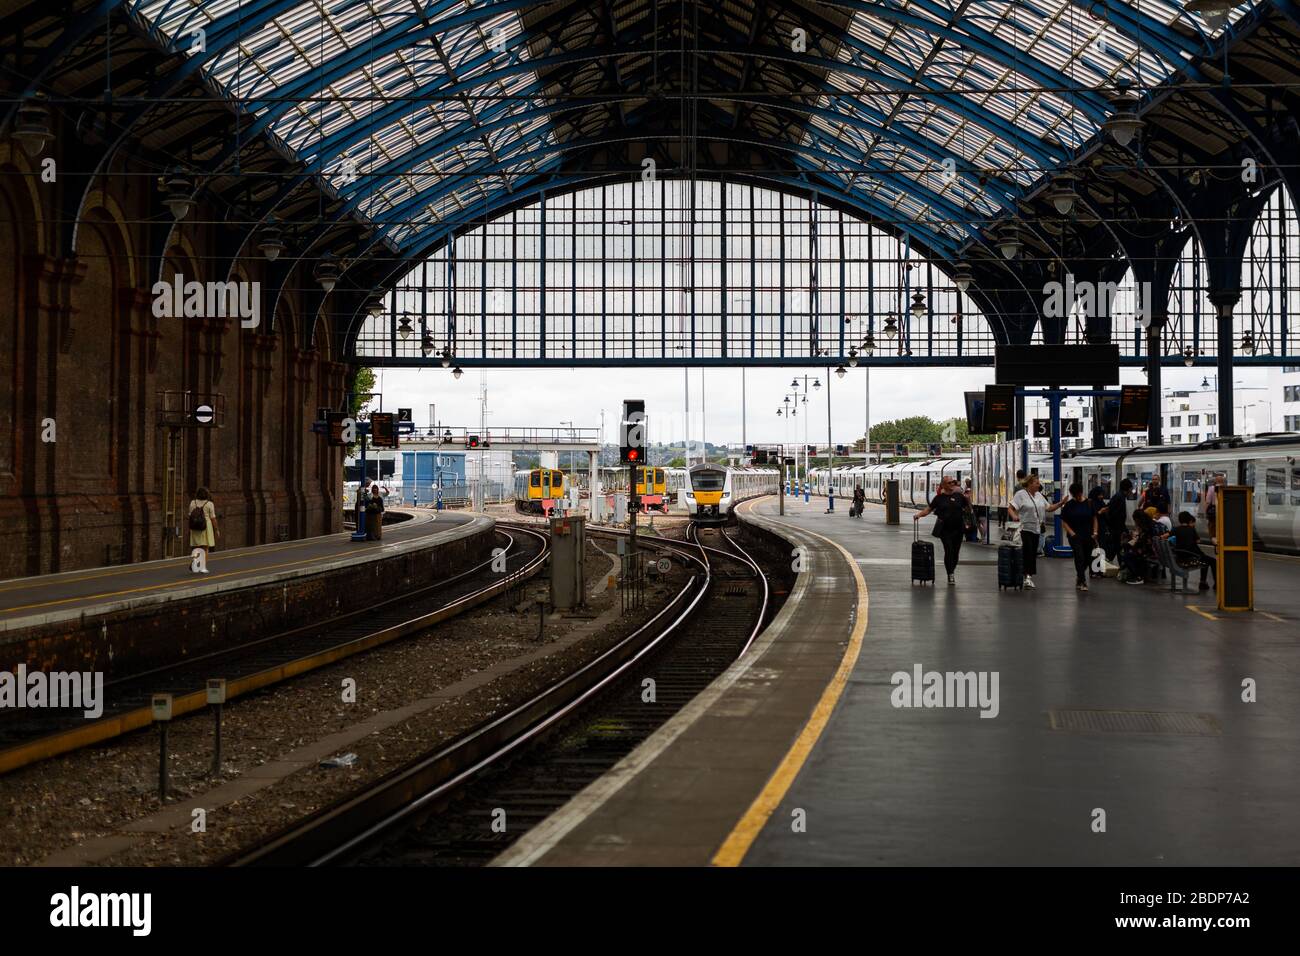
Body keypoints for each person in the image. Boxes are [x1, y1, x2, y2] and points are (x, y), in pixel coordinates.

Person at [1008, 475, 1064, 590]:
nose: (1039, 485)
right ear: (1029, 484)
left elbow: (1048, 508)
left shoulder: (1039, 496)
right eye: (1037, 483)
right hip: (1024, 528)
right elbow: (1010, 508)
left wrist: (1060, 504)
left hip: (1037, 529)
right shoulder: (1020, 495)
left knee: (1033, 553)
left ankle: (1028, 576)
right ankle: (1026, 577)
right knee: (1027, 551)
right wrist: (1014, 516)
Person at [913, 476, 967, 585]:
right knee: (949, 550)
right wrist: (918, 515)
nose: (952, 484)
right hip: (945, 530)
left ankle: (952, 569)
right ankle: (950, 574)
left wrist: (969, 521)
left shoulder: (959, 496)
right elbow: (928, 509)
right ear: (943, 485)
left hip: (959, 529)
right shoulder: (938, 499)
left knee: (956, 553)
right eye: (950, 483)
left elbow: (967, 509)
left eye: (953, 482)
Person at [1060, 482, 1099, 592]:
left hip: (1088, 536)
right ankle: (1082, 581)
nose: (1076, 497)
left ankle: (1079, 575)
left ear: (1081, 492)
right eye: (1074, 495)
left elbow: (1095, 518)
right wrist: (1071, 533)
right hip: (1075, 536)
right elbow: (1064, 521)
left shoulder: (1090, 503)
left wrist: (1095, 532)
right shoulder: (1069, 505)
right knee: (1079, 556)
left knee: (1087, 558)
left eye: (1077, 494)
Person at [1169, 510, 1216, 591]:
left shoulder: (1176, 529)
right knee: (1212, 561)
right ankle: (1211, 583)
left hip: (1180, 556)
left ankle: (1203, 583)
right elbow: (1198, 541)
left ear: (1180, 520)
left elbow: (1166, 535)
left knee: (1205, 559)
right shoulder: (1191, 529)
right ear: (1189, 520)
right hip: (1191, 556)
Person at [187, 486, 218, 573]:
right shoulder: (209, 504)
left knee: (196, 547)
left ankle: (195, 561)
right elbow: (213, 518)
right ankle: (202, 567)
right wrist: (216, 529)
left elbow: (189, 517)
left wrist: (189, 529)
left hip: (195, 527)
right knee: (205, 548)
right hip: (205, 527)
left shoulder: (193, 503)